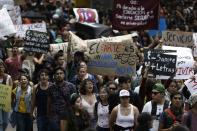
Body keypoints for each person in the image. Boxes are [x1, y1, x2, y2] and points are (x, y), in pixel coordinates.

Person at [47, 67, 76, 131]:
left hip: (67, 115)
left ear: (64, 75)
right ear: (54, 75)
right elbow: (49, 101)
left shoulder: (71, 86)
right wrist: (48, 115)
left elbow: (75, 101)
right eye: (57, 74)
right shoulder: (50, 88)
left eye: (61, 73)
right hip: (54, 115)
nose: (59, 75)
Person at [0, 60, 12, 131]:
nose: (0, 68)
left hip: (6, 103)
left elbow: (11, 90)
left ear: (4, 68)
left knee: (6, 122)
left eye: (1, 67)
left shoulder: (8, 78)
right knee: (0, 122)